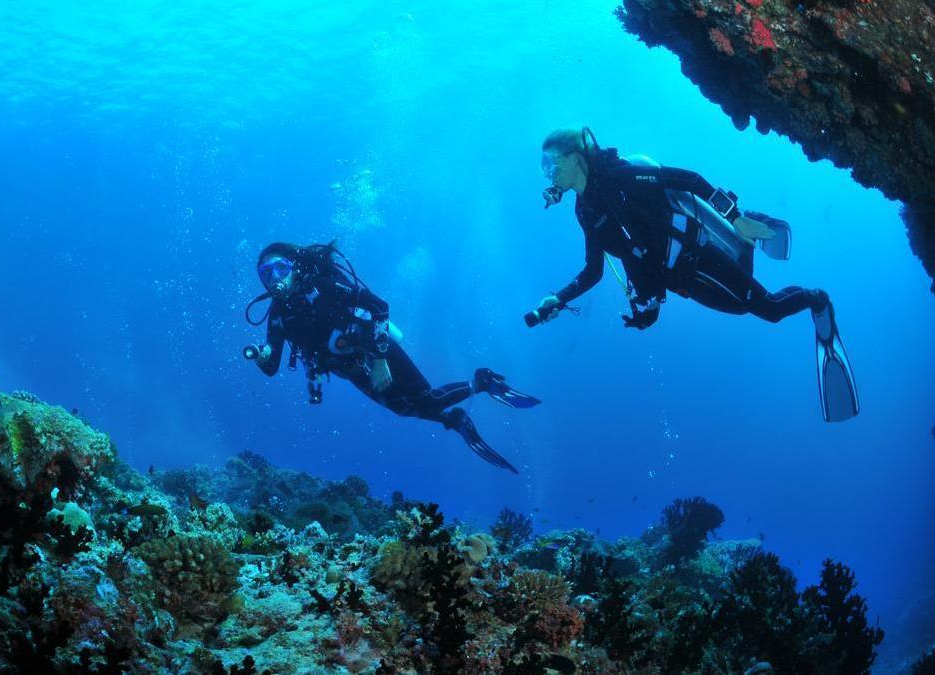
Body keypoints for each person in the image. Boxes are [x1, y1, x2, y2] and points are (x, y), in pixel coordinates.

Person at [530, 127, 859, 422]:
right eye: (545, 167)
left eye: (552, 163)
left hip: (695, 256)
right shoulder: (585, 212)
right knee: (741, 306)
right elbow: (594, 271)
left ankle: (817, 299)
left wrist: (736, 216)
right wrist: (558, 298)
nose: (549, 173)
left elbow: (688, 180)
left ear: (574, 157)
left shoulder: (621, 177)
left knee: (770, 310)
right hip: (680, 280)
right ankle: (744, 238)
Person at [244, 242, 539, 472]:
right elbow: (271, 368)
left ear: (294, 267)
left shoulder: (324, 287)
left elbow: (380, 307)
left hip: (375, 349)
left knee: (425, 399)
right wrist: (262, 357)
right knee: (404, 409)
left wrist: (380, 359)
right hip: (350, 369)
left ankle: (482, 382)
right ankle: (454, 419)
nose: (274, 278)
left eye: (279, 268)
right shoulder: (278, 316)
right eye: (266, 274)